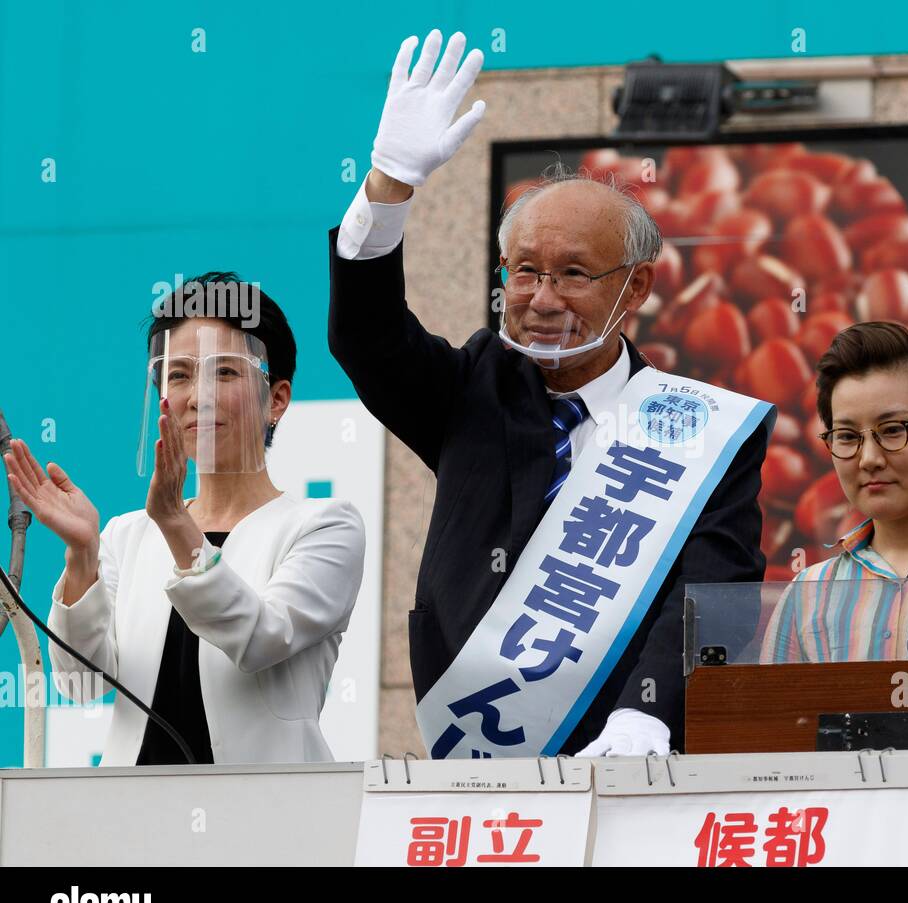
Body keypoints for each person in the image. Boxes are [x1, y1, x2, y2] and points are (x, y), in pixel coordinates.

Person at [327, 30, 772, 758]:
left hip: (638, 761)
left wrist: (646, 716)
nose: (540, 298)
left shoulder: (697, 428)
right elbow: (368, 340)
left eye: (572, 275)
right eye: (523, 271)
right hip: (480, 750)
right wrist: (388, 187)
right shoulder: (470, 389)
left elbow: (711, 592)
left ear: (637, 287)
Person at [4, 273, 365, 765]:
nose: (198, 396)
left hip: (270, 820)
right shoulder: (127, 535)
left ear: (276, 399)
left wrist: (176, 523)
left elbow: (260, 639)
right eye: (178, 375)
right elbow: (78, 683)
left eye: (226, 372)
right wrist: (82, 555)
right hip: (137, 825)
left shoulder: (323, 527)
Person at [759, 322, 908, 662]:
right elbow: (776, 715)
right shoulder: (808, 594)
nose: (869, 459)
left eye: (892, 430)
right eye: (846, 436)